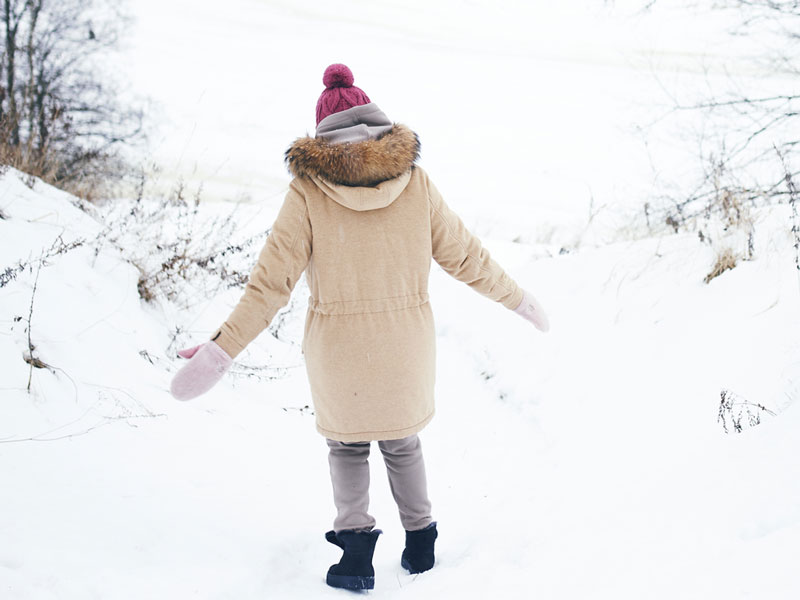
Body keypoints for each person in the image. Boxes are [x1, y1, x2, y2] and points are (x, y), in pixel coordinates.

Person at [170, 63, 549, 591]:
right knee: (403, 442)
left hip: (338, 347)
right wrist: (518, 298)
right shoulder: (415, 182)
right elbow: (465, 256)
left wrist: (220, 350)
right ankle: (421, 544)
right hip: (405, 343)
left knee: (347, 447)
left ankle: (354, 558)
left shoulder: (307, 190)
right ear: (375, 120)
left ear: (322, 133)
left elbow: (270, 286)